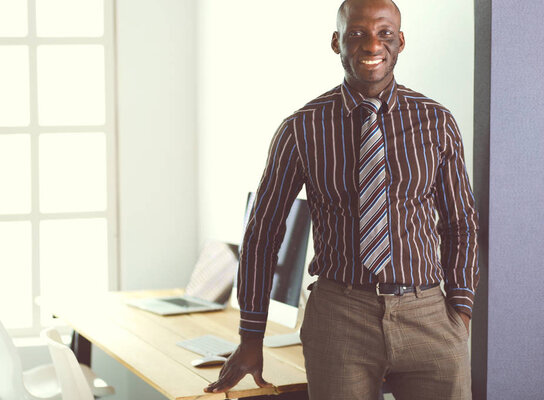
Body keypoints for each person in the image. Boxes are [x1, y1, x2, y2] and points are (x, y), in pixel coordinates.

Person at [204, 0, 478, 398]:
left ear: (400, 41)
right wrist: (251, 336)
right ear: (336, 42)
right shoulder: (301, 128)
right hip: (339, 317)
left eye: (384, 33)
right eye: (357, 34)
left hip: (428, 315)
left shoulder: (437, 121)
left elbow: (461, 224)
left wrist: (460, 313)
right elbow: (262, 234)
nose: (372, 45)